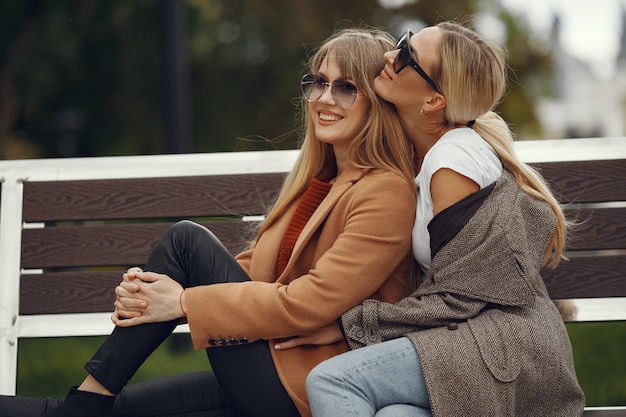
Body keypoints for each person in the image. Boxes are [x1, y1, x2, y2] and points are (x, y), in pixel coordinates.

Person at [0, 28, 418, 417]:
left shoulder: (385, 191)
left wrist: (181, 303)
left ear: (377, 100)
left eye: (346, 87)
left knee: (187, 242)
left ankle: (88, 400)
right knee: (101, 410)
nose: (326, 98)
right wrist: (156, 297)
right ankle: (85, 405)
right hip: (269, 366)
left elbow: (309, 300)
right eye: (319, 83)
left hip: (307, 387)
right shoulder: (320, 181)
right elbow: (254, 270)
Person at [277, 21, 586, 416]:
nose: (390, 55)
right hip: (475, 345)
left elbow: (460, 296)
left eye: (408, 55)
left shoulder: (451, 163)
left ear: (433, 101)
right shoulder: (433, 155)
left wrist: (348, 325)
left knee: (332, 379)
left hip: (502, 351)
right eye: (404, 41)